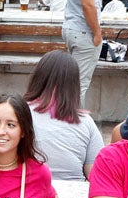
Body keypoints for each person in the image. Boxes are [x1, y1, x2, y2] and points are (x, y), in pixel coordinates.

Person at [24, 50, 104, 181]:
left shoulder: (19, 112)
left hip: (28, 190)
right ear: (74, 85)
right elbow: (96, 174)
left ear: (38, 78)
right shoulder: (86, 122)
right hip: (74, 193)